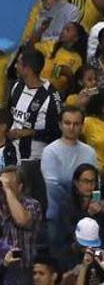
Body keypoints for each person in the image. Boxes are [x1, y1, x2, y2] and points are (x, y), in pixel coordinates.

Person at [42, 106, 97, 248]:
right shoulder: (50, 151)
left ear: (82, 126)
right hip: (57, 215)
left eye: (76, 124)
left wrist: (96, 203)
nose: (71, 127)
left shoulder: (89, 152)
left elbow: (96, 184)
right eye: (67, 123)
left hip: (86, 215)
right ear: (60, 125)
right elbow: (52, 186)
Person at [8, 47, 62, 161]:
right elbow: (9, 114)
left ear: (27, 69)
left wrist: (28, 133)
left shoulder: (51, 96)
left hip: (33, 160)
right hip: (10, 154)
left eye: (18, 63)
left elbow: (56, 133)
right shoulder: (17, 86)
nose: (15, 66)